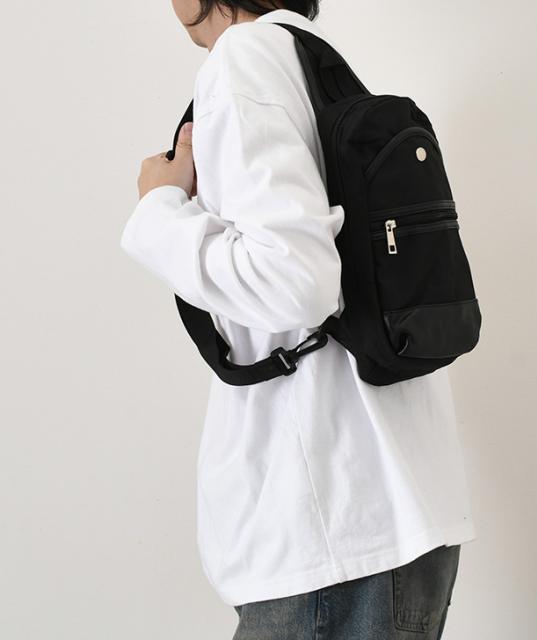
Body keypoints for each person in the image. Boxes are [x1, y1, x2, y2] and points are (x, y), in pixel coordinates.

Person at [120, 1, 476, 638]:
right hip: (395, 514)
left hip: (331, 538)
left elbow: (296, 282)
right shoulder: (315, 62)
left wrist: (160, 209)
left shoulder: (245, 58)